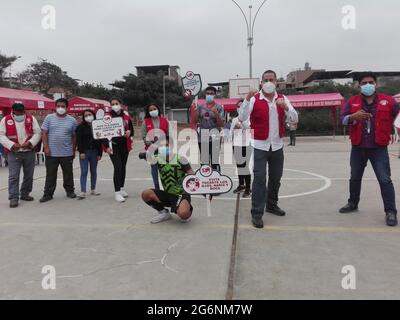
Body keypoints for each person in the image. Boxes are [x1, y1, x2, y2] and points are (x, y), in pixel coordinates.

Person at [239, 70, 299, 229]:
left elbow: (295, 119)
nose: (268, 82)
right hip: (259, 145)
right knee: (259, 179)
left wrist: (286, 107)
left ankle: (272, 205)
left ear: (276, 82)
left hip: (277, 145)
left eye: (271, 79)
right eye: (265, 79)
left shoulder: (282, 98)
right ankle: (257, 213)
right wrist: (246, 99)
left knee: (275, 178)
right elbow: (242, 118)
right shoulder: (253, 99)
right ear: (261, 82)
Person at [339, 72, 400, 227]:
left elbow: (398, 117)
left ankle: (391, 211)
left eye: (370, 82)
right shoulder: (352, 101)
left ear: (376, 84)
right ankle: (353, 203)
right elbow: (343, 119)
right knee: (354, 177)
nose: (368, 85)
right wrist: (353, 117)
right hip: (358, 146)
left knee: (385, 179)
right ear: (359, 86)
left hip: (379, 147)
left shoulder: (389, 101)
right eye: (364, 83)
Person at [141, 138, 195, 224]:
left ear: (171, 146)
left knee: (184, 215)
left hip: (181, 194)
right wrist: (145, 154)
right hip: (167, 193)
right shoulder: (157, 159)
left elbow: (192, 176)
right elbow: (143, 156)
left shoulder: (181, 159)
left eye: (166, 145)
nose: (164, 148)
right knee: (146, 194)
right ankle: (163, 213)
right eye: (161, 146)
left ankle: (186, 208)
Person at [0, 103, 41, 208]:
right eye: (17, 113)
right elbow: (1, 135)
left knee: (29, 175)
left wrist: (31, 142)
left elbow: (38, 133)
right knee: (14, 176)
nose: (20, 115)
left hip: (29, 151)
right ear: (13, 111)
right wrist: (12, 145)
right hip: (14, 152)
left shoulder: (31, 118)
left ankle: (25, 194)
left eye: (21, 113)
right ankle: (13, 197)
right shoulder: (5, 120)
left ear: (24, 111)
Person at [40, 98, 78, 203]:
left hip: (67, 152)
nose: (60, 108)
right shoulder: (49, 118)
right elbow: (44, 133)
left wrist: (73, 149)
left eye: (63, 106)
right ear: (55, 107)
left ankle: (70, 191)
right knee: (50, 174)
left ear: (67, 107)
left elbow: (74, 136)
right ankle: (48, 194)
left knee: (68, 173)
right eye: (58, 106)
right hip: (51, 153)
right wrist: (46, 147)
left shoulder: (72, 120)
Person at [104, 98, 134, 203]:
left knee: (123, 167)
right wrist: (106, 146)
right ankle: (117, 193)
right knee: (118, 167)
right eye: (112, 104)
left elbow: (131, 130)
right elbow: (103, 133)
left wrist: (129, 132)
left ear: (120, 105)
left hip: (124, 145)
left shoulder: (126, 116)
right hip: (113, 146)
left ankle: (121, 188)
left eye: (116, 103)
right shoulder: (107, 117)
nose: (114, 105)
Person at [190, 86, 225, 172]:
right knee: (204, 161)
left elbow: (221, 124)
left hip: (215, 137)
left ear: (215, 95)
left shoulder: (219, 107)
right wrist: (193, 110)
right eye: (208, 93)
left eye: (211, 93)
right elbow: (194, 121)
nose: (209, 95)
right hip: (203, 137)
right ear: (205, 95)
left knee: (215, 161)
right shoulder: (200, 107)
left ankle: (216, 179)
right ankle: (205, 180)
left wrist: (216, 113)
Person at [76, 109, 103, 200]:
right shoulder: (80, 127)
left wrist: (100, 153)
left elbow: (100, 140)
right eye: (86, 115)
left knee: (93, 171)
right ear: (83, 117)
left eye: (90, 114)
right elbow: (78, 141)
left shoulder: (98, 125)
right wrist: (81, 152)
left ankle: (93, 189)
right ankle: (83, 191)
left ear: (93, 115)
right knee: (84, 171)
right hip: (85, 152)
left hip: (94, 152)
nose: (88, 117)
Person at [142, 103, 170, 190]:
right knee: (154, 169)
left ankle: (165, 186)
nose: (153, 111)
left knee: (164, 168)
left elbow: (168, 134)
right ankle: (157, 187)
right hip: (151, 149)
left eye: (154, 109)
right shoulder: (145, 122)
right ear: (148, 112)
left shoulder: (165, 120)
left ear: (158, 109)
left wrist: (166, 143)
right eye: (150, 110)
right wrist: (152, 144)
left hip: (163, 148)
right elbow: (144, 137)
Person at [230, 101, 252, 198]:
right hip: (236, 145)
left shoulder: (250, 118)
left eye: (242, 106)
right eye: (238, 106)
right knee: (239, 166)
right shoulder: (235, 119)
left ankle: (248, 188)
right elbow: (230, 134)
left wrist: (243, 125)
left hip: (247, 145)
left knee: (246, 167)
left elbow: (252, 132)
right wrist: (235, 128)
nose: (240, 108)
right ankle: (241, 185)